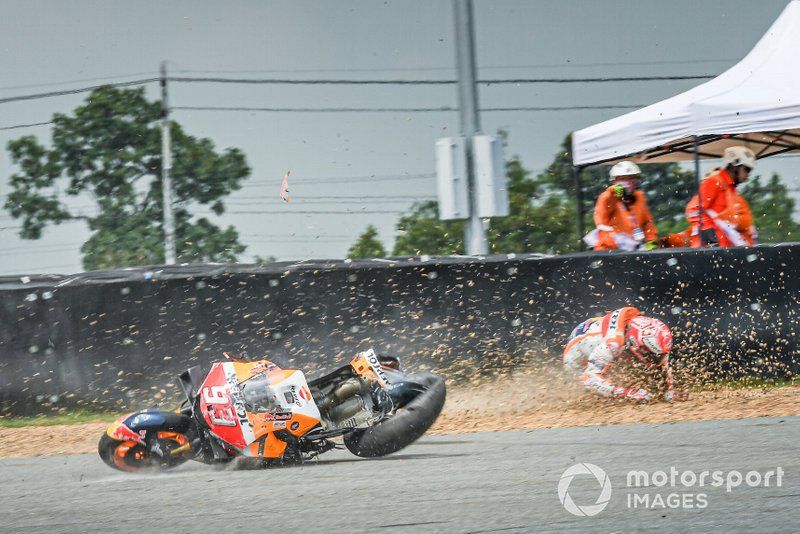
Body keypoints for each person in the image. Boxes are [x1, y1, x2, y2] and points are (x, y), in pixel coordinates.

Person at [563, 306, 687, 402]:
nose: (656, 359)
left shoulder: (635, 324)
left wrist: (670, 389)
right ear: (635, 343)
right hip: (576, 358)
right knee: (600, 395)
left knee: (638, 378)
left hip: (594, 333)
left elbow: (662, 358)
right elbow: (589, 379)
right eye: (652, 355)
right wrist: (628, 393)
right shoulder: (613, 343)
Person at [685, 146, 757, 247]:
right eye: (747, 169)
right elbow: (694, 209)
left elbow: (728, 222)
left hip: (723, 247)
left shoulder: (731, 189)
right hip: (708, 248)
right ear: (734, 165)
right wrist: (708, 232)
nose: (748, 174)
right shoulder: (714, 182)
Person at [585, 161, 658, 251]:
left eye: (632, 178)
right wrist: (612, 193)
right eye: (623, 179)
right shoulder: (606, 197)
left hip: (632, 249)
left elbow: (647, 223)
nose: (629, 182)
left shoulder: (639, 196)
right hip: (608, 249)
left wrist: (651, 241)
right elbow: (601, 221)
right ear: (614, 181)